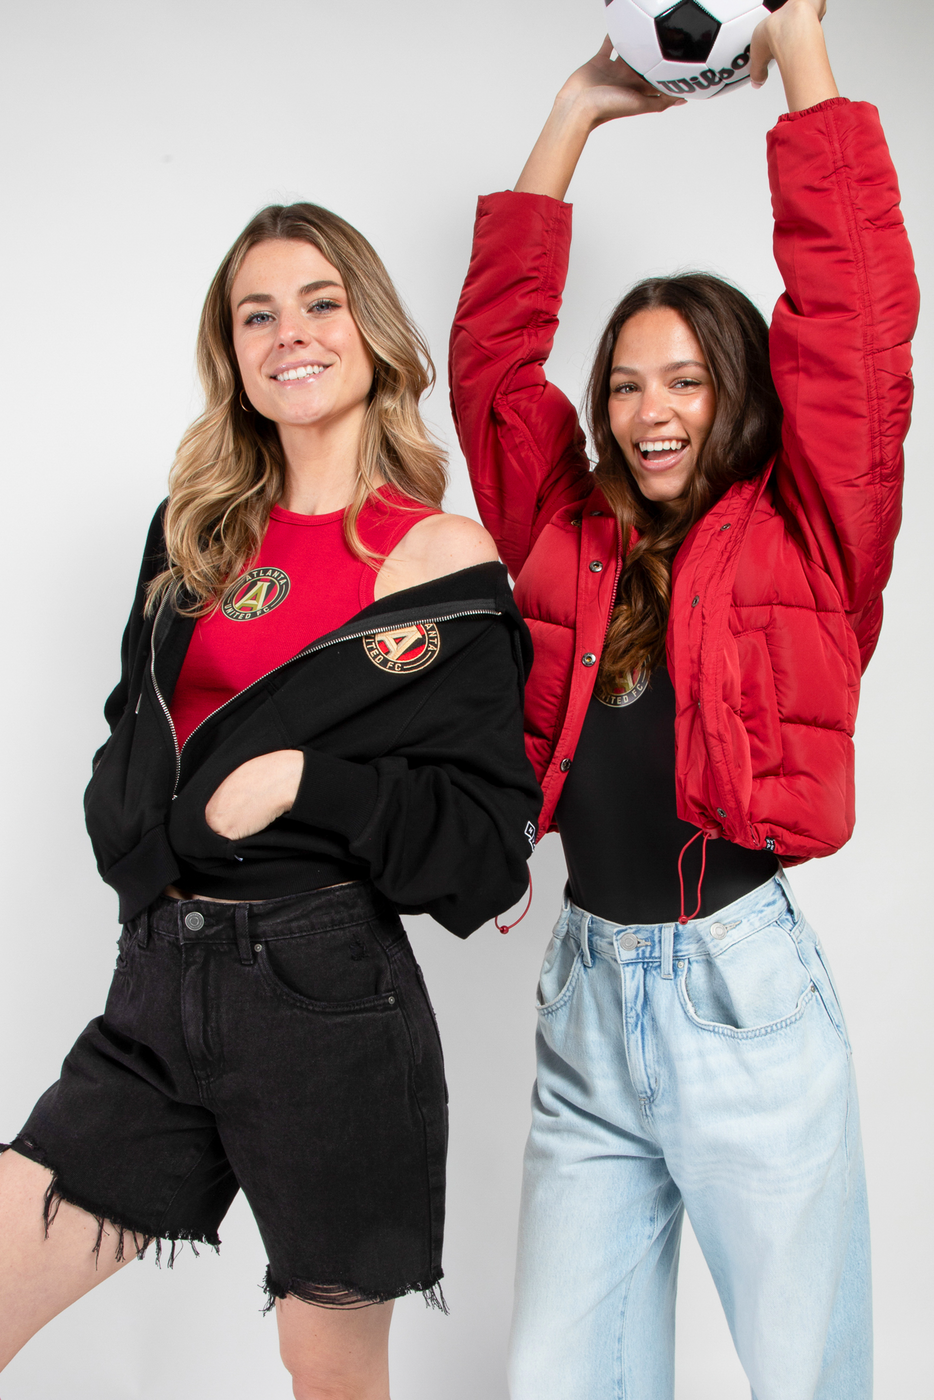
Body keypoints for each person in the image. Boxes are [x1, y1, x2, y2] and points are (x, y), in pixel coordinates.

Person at [449, 2, 917, 1396]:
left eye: (686, 381)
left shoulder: (811, 529)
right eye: (623, 386)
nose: (649, 412)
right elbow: (490, 372)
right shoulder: (565, 533)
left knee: (804, 1378)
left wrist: (801, 50)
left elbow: (855, 322)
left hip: (742, 1002)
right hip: (585, 1002)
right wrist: (573, 115)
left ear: (740, 393)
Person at [0, 200, 541, 1399]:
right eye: (257, 315)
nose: (288, 333)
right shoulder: (192, 531)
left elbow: (487, 843)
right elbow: (134, 722)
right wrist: (136, 837)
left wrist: (310, 782)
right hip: (158, 981)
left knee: (326, 1371)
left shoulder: (440, 560)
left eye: (319, 303)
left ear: (372, 332)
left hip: (328, 1001)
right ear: (232, 350)